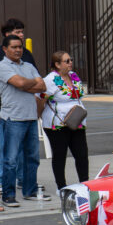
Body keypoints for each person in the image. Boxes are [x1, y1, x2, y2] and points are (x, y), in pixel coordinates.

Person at [0, 18, 35, 197]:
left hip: (26, 110)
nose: (21, 35)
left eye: (22, 32)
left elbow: (38, 82)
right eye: (18, 32)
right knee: (4, 149)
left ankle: (24, 181)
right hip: (6, 110)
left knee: (26, 151)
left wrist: (26, 85)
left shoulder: (26, 54)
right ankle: (0, 181)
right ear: (7, 35)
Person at [0, 34, 48, 206]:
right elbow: (19, 83)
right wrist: (30, 84)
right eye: (14, 47)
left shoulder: (29, 65)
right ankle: (9, 196)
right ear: (5, 49)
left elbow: (43, 86)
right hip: (13, 119)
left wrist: (27, 84)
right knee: (10, 160)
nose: (18, 50)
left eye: (20, 47)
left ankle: (30, 191)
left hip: (31, 117)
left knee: (32, 157)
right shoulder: (2, 66)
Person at [40, 51, 90, 191]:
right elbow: (41, 98)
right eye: (66, 61)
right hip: (58, 124)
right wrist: (40, 115)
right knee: (60, 154)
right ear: (57, 64)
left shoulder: (73, 76)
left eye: (71, 60)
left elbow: (78, 94)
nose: (70, 63)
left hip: (77, 121)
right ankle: (61, 186)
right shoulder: (50, 79)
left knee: (81, 154)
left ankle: (85, 184)